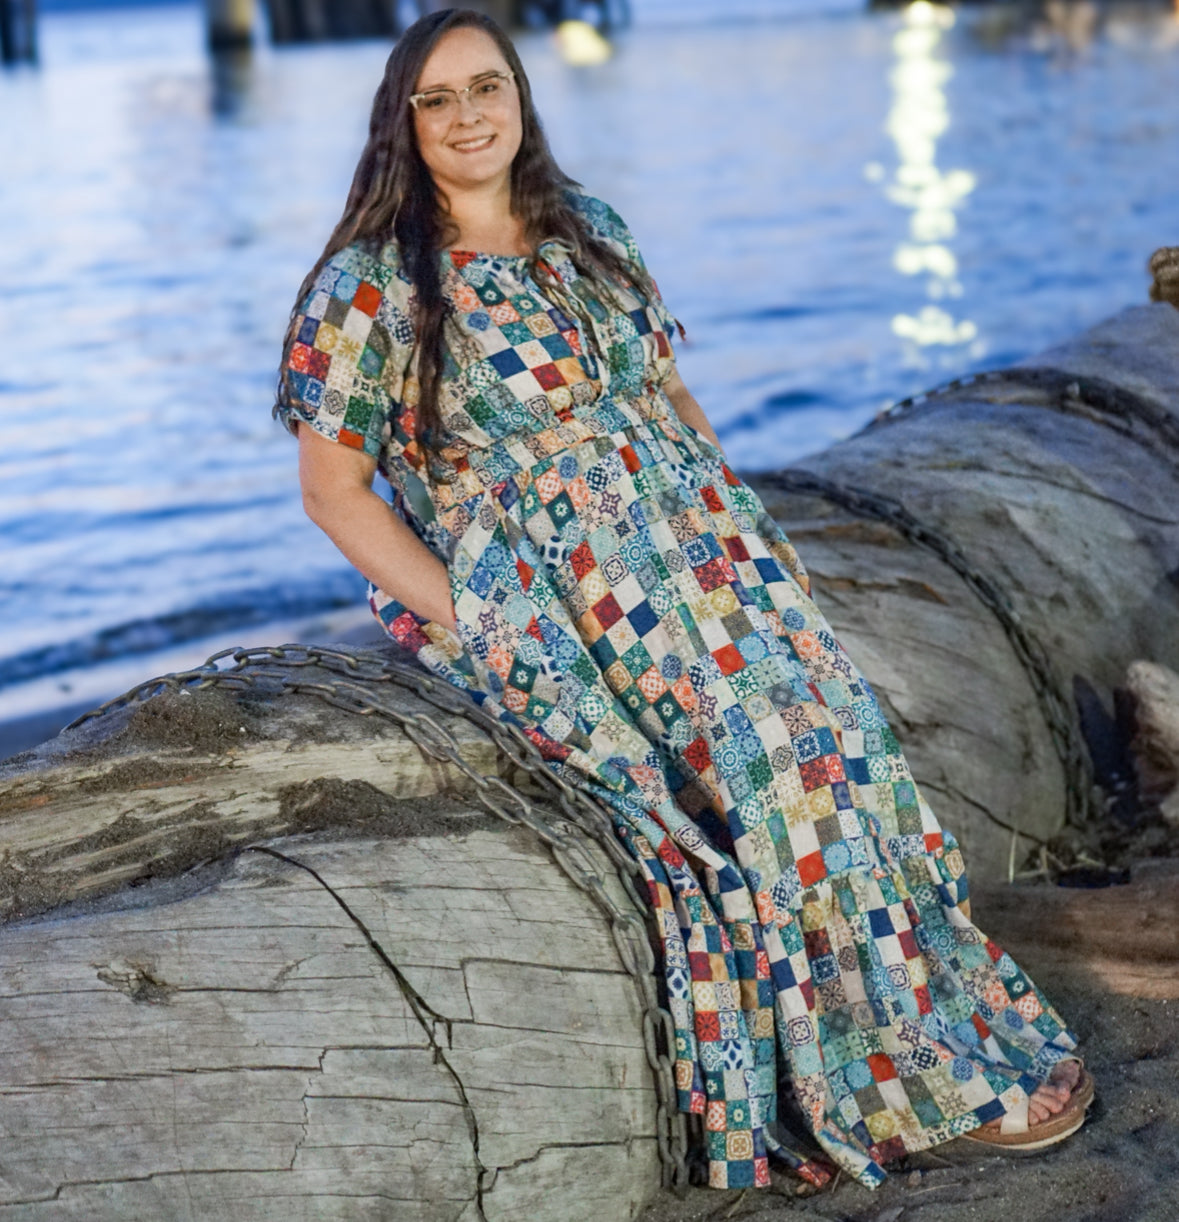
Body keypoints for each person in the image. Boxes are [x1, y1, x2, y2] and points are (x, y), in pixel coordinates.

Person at [274, 7, 1093, 1192]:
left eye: (487, 88)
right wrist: (478, 617)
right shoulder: (371, 287)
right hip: (558, 588)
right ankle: (879, 1084)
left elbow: (670, 401)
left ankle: (940, 1025)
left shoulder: (590, 230)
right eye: (437, 98)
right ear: (400, 121)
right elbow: (334, 492)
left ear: (521, 101)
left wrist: (751, 534)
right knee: (765, 769)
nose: (467, 117)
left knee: (843, 736)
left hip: (702, 553)